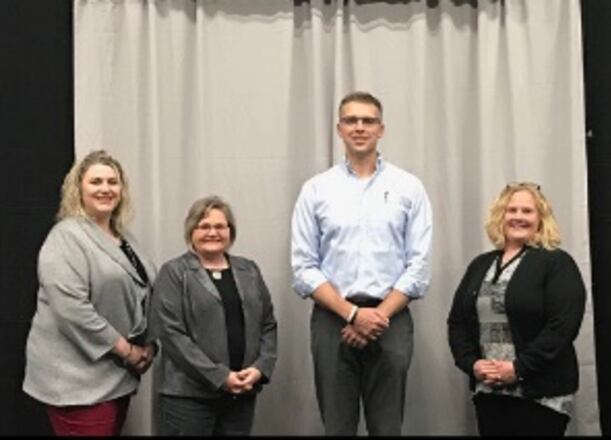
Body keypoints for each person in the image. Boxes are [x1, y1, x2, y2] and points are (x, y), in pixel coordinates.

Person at [290, 91, 432, 436]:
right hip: (332, 319)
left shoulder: (408, 188)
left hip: (391, 320)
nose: (359, 127)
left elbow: (419, 266)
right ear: (339, 129)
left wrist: (376, 316)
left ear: (381, 129)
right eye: (351, 120)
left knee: (387, 428)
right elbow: (304, 267)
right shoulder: (316, 190)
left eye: (368, 120)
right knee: (337, 427)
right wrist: (353, 315)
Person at [23, 150, 157, 436]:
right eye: (96, 182)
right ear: (78, 189)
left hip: (115, 376)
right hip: (77, 382)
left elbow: (143, 293)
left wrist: (150, 345)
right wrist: (129, 351)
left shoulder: (124, 238)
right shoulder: (66, 237)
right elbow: (72, 309)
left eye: (113, 181)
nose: (106, 189)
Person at [447, 182, 586, 436]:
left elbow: (563, 326)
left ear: (541, 219)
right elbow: (457, 322)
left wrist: (519, 368)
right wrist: (472, 364)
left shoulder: (557, 263)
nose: (518, 217)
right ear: (501, 216)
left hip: (541, 394)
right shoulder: (480, 265)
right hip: (489, 390)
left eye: (527, 211)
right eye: (512, 210)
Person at [150, 195, 278, 436]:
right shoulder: (174, 272)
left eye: (220, 226)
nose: (213, 232)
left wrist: (261, 367)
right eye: (204, 226)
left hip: (241, 394)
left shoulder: (248, 269)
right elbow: (171, 335)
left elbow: (268, 324)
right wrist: (220, 376)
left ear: (231, 231)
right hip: (188, 398)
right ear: (191, 231)